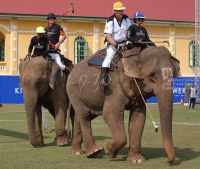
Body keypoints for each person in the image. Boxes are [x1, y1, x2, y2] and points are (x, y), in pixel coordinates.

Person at [100, 2, 131, 86]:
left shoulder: (126, 19)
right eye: (119, 11)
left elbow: (129, 32)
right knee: (109, 57)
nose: (121, 12)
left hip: (124, 43)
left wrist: (128, 42)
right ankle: (102, 79)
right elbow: (108, 36)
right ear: (114, 11)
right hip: (112, 43)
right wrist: (115, 45)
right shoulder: (110, 20)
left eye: (122, 10)